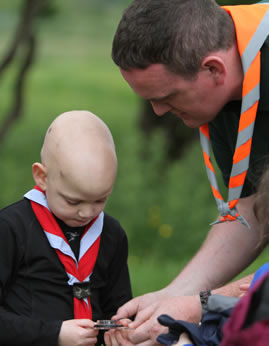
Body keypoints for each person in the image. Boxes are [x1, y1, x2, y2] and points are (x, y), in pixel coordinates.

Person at [108, 0, 269, 344]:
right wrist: (172, 297)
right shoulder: (229, 85)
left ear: (214, 70)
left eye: (168, 96)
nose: (159, 111)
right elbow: (255, 207)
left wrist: (203, 305)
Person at [0, 110, 132, 346]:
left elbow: (118, 306)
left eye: (100, 200)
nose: (87, 212)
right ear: (42, 177)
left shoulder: (111, 234)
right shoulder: (11, 228)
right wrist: (54, 334)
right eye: (73, 201)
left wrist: (120, 328)